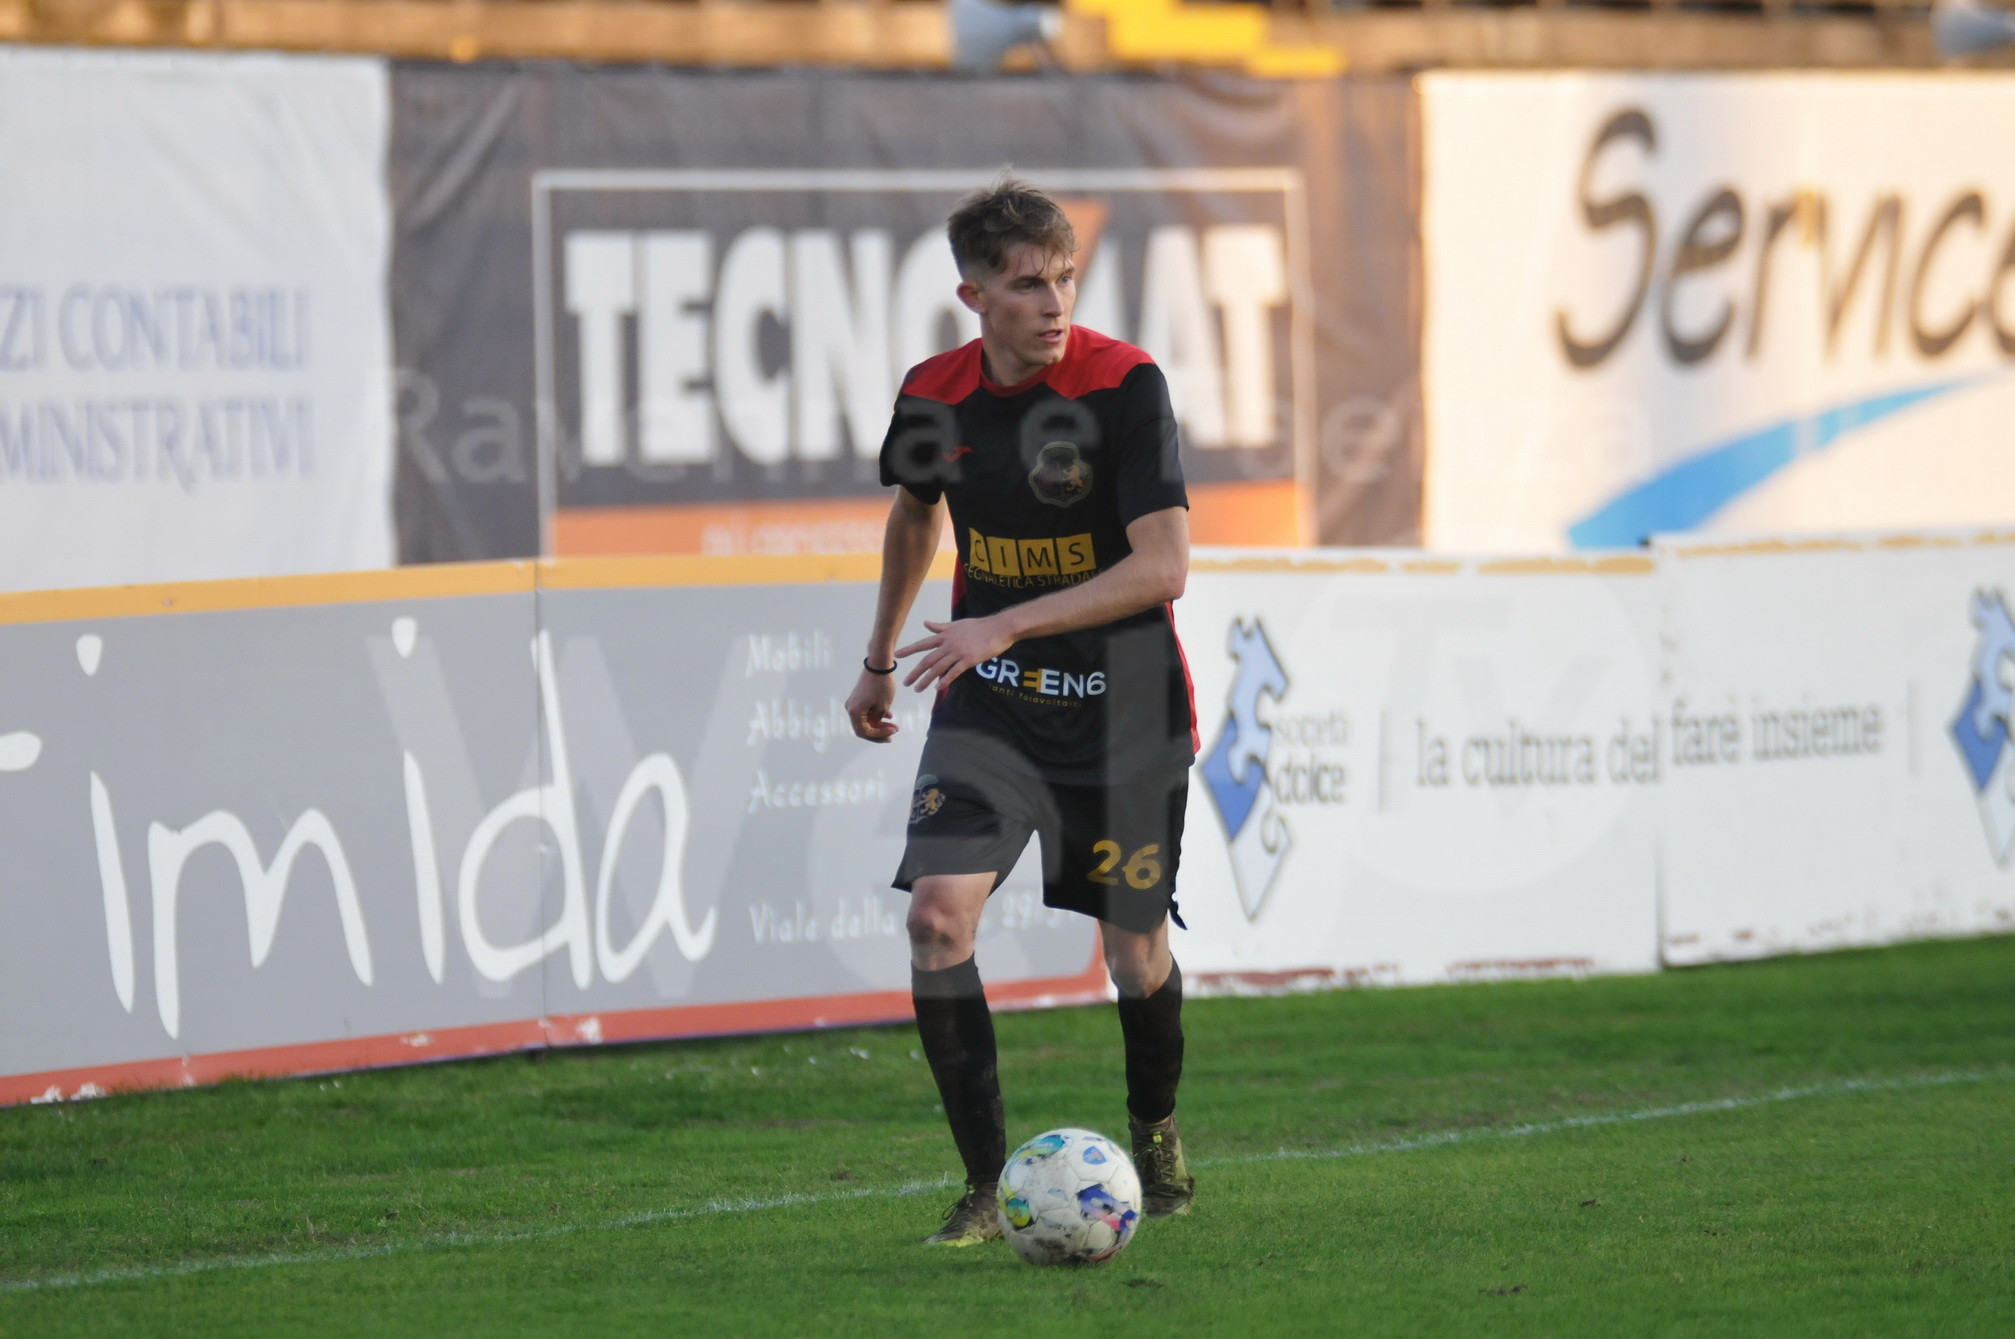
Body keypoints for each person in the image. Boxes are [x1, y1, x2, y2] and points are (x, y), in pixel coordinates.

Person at [845, 176, 1199, 1247]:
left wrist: (1003, 621)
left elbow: (1164, 567)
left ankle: (1154, 1131)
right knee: (934, 920)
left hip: (1121, 709)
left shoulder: (1123, 384)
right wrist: (876, 660)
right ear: (973, 296)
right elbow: (915, 516)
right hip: (991, 704)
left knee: (1132, 958)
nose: (1054, 304)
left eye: (1065, 279)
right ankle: (982, 1185)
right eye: (1028, 284)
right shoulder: (932, 393)